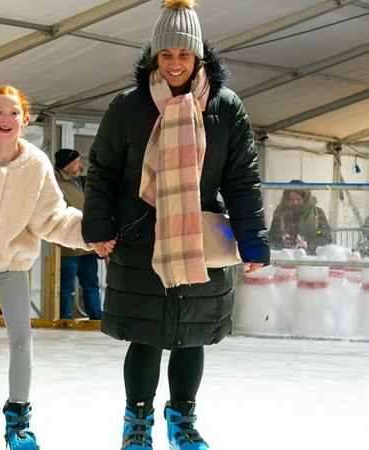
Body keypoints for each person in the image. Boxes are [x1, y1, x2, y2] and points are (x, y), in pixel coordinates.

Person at [80, 1, 269, 449]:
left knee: (191, 336)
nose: (175, 65)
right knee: (145, 336)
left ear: (199, 55)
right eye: (166, 55)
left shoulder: (224, 107)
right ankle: (138, 421)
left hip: (199, 236)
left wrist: (253, 240)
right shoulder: (129, 107)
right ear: (154, 56)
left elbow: (241, 176)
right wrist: (98, 227)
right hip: (140, 236)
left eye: (184, 55)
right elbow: (102, 170)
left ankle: (182, 419)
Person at [0, 85, 112, 450]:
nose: (5, 120)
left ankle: (18, 421)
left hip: (11, 264)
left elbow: (54, 218)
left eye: (13, 113)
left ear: (25, 120)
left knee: (21, 341)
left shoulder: (37, 166)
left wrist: (92, 236)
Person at [54, 148, 103, 320]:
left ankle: (96, 316)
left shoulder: (79, 183)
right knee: (66, 287)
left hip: (87, 245)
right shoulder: (56, 185)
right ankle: (65, 318)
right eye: (75, 162)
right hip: (68, 247)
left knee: (91, 284)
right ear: (65, 165)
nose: (80, 166)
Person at [267, 180, 332, 254]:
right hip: (285, 258)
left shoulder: (317, 213)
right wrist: (282, 238)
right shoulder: (280, 213)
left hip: (311, 260)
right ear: (286, 199)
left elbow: (327, 238)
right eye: (291, 200)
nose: (295, 202)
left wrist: (308, 244)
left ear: (305, 199)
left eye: (298, 199)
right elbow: (272, 237)